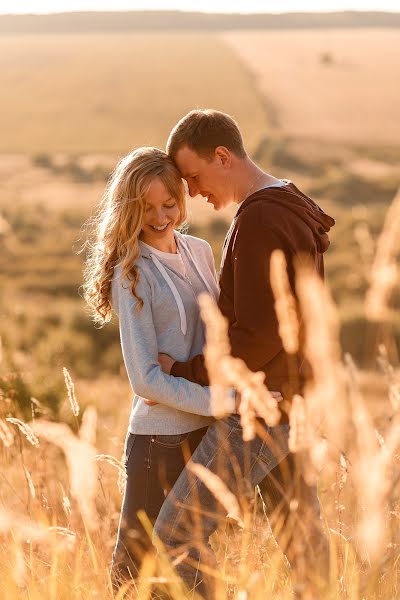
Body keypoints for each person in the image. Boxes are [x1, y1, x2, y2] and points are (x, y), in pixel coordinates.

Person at [151, 110, 336, 597]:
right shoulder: (290, 202)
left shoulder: (258, 219)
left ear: (222, 156)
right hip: (291, 402)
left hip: (259, 408)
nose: (193, 192)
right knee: (306, 545)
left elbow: (256, 336)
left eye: (194, 177)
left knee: (175, 541)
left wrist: (185, 371)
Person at [83, 146, 283, 587]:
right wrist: (227, 401)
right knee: (133, 575)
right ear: (127, 210)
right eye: (146, 208)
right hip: (159, 440)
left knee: (185, 559)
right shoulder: (131, 273)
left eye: (169, 204)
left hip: (204, 433)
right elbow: (145, 380)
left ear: (182, 198)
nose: (159, 217)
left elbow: (219, 338)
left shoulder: (199, 250)